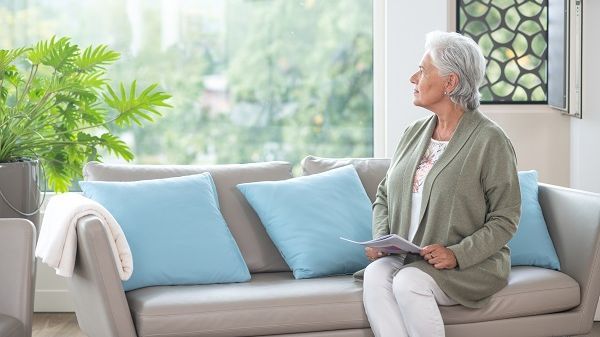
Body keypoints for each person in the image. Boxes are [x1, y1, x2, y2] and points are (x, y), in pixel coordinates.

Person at [361, 31, 521, 337]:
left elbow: (505, 219)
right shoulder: (413, 133)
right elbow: (383, 194)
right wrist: (382, 240)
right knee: (376, 274)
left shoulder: (490, 140)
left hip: (470, 264)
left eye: (422, 70)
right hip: (408, 258)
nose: (412, 78)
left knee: (409, 282)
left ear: (450, 83)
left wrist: (457, 253)